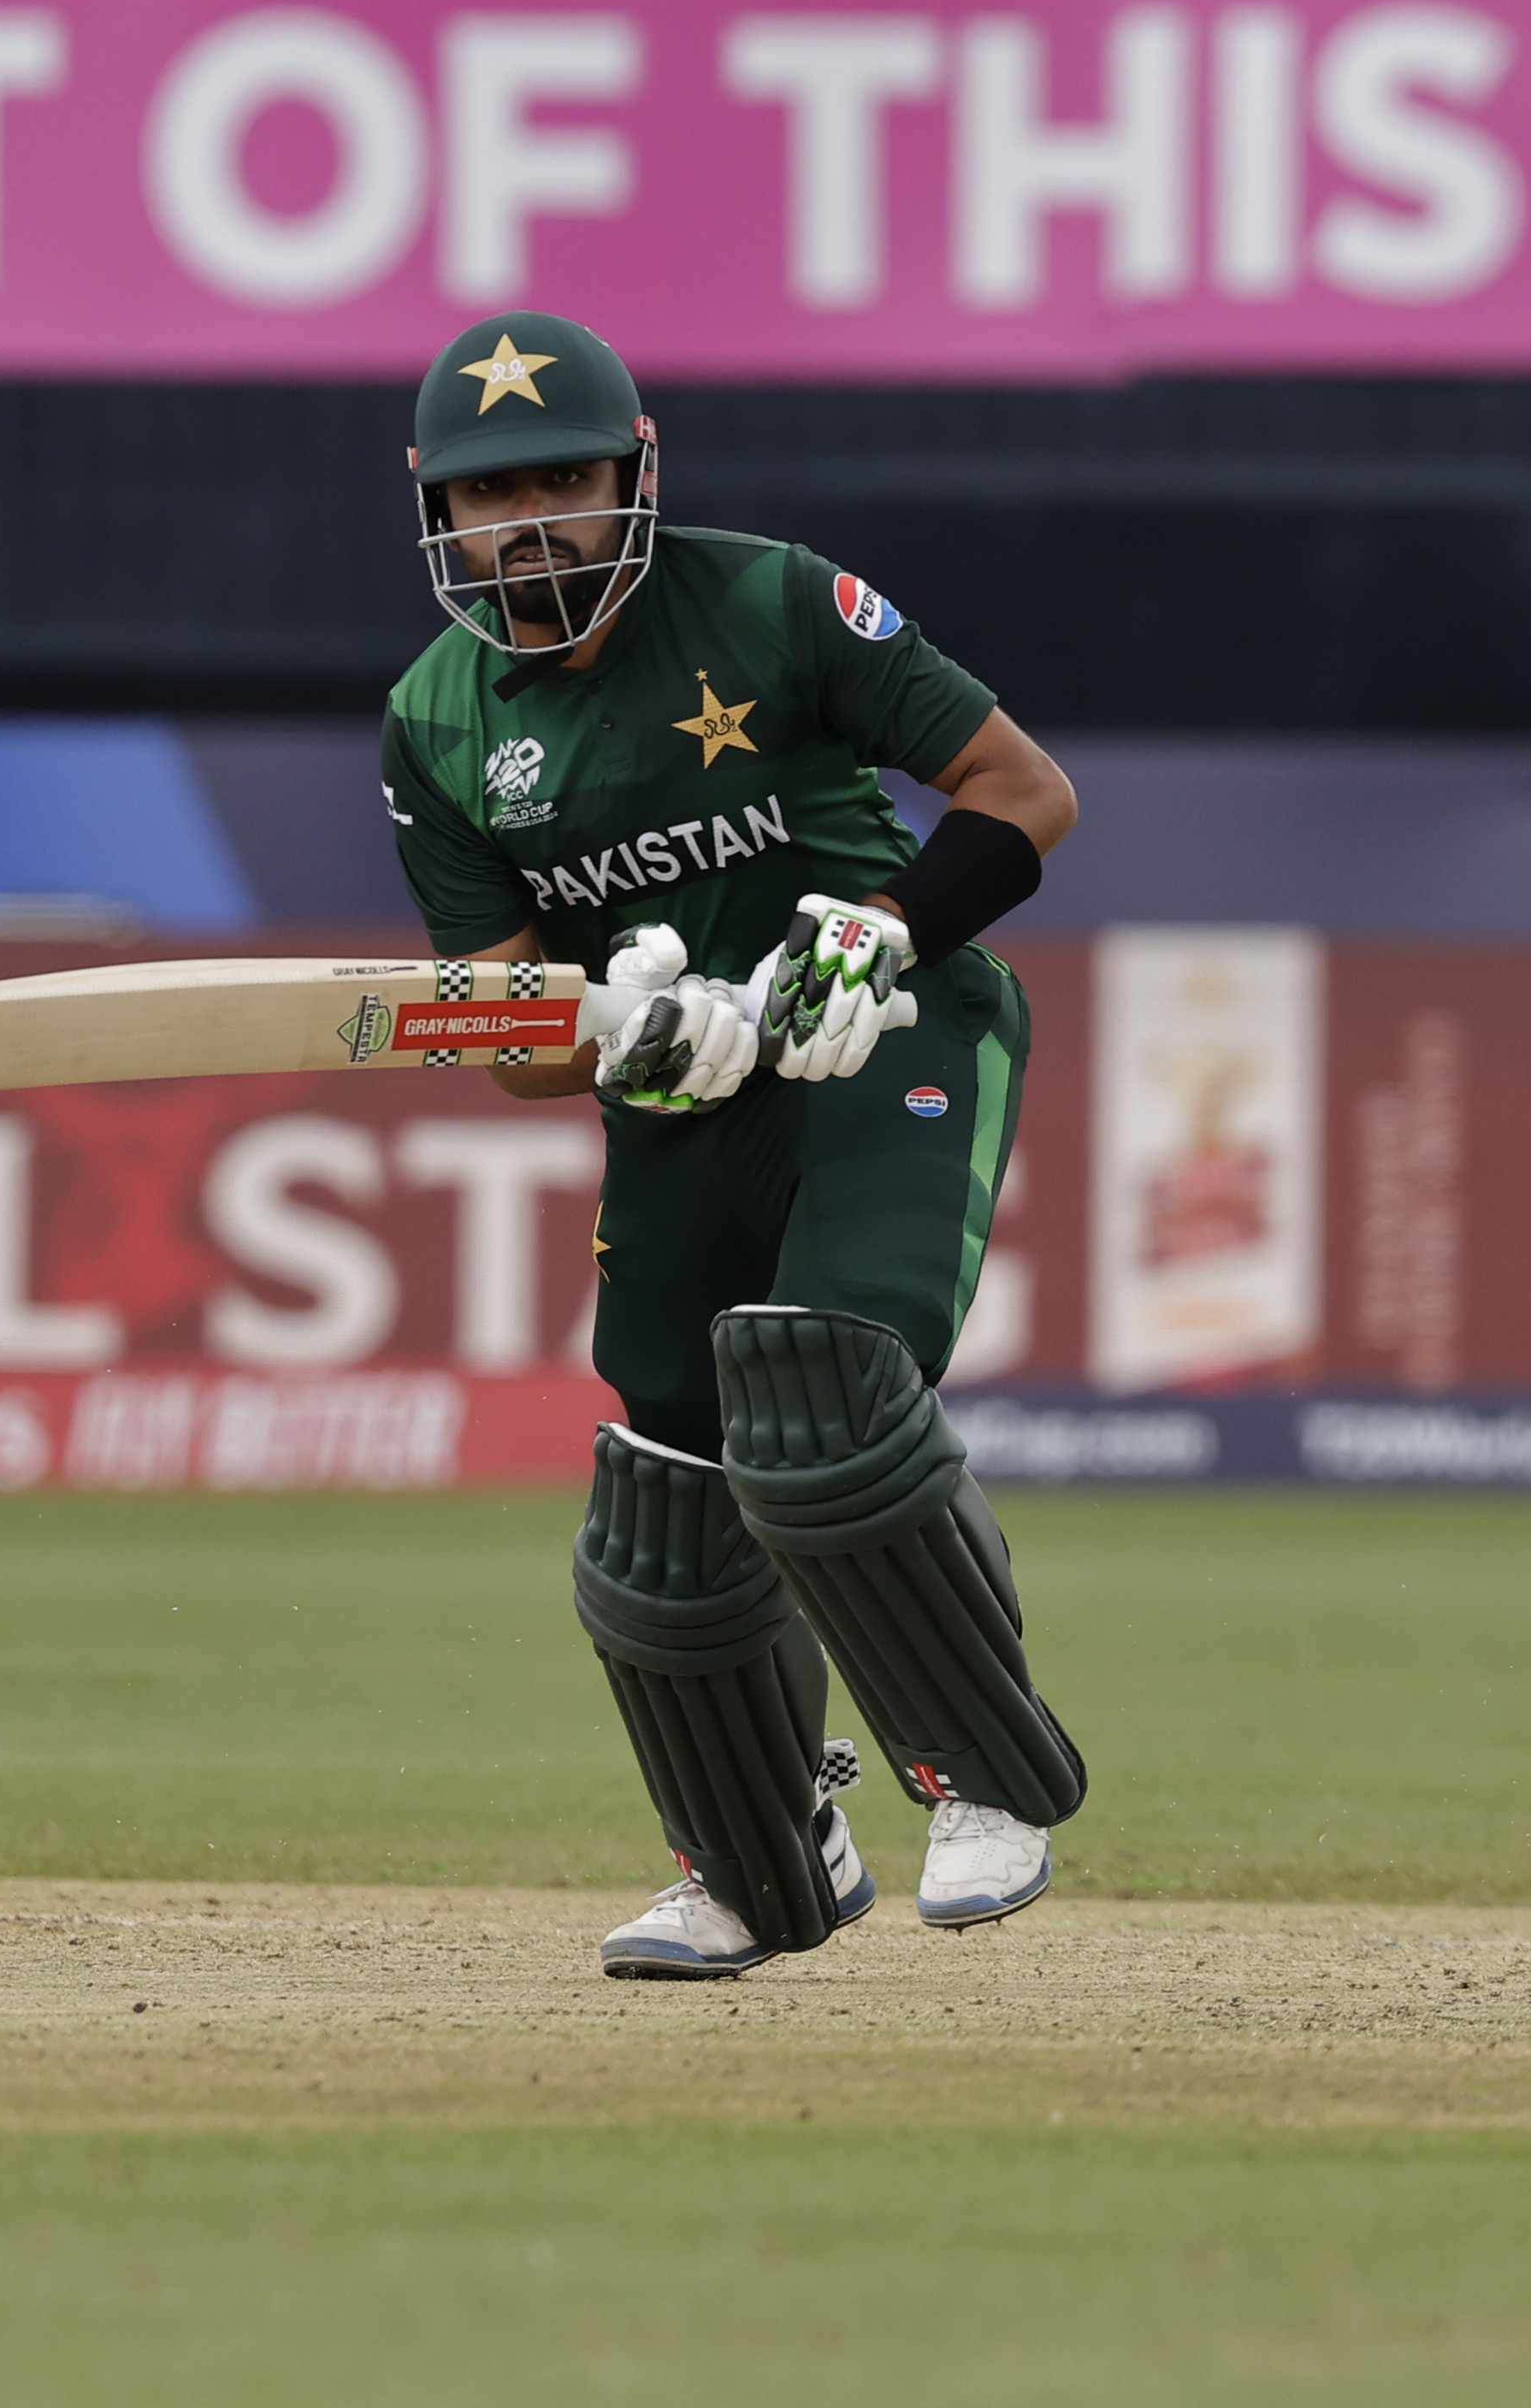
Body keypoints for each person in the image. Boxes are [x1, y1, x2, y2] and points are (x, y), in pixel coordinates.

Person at [377, 310, 1087, 1981]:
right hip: (683, 1096)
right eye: (492, 494)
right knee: (668, 1490)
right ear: (436, 511)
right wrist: (617, 1026)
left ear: (632, 473)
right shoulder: (434, 719)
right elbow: (497, 1035)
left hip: (880, 1033)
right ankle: (754, 1861)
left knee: (824, 1382)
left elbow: (1023, 793)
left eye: (564, 477)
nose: (531, 521)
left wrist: (886, 935)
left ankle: (982, 1777)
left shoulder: (771, 598)